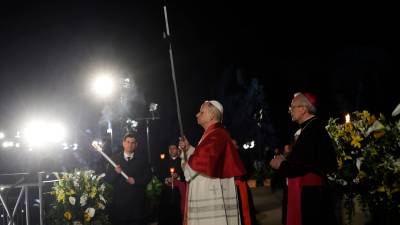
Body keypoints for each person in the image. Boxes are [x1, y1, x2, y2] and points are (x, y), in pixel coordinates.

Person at [269, 92, 338, 225]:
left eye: (292, 107)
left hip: (310, 195)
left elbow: (301, 165)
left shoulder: (312, 130)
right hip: (308, 191)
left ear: (303, 109)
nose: (290, 110)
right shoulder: (310, 128)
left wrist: (281, 164)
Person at [179, 100, 248, 225]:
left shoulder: (217, 134)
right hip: (208, 190)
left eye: (201, 112)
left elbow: (203, 160)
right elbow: (203, 156)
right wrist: (188, 149)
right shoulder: (211, 134)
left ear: (211, 115)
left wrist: (187, 167)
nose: (197, 114)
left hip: (211, 196)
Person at [105, 133, 152, 225]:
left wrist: (136, 181)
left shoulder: (142, 159)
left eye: (133, 142)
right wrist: (115, 172)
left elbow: (148, 177)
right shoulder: (114, 159)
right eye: (128, 142)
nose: (130, 145)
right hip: (120, 207)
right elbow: (108, 179)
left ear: (136, 145)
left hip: (137, 207)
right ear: (123, 143)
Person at [158, 144, 185, 225]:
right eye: (170, 148)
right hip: (167, 192)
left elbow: (186, 174)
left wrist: (178, 176)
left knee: (177, 214)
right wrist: (165, 179)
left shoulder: (182, 160)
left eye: (174, 148)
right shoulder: (164, 161)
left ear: (178, 149)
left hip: (178, 193)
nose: (172, 150)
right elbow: (160, 173)